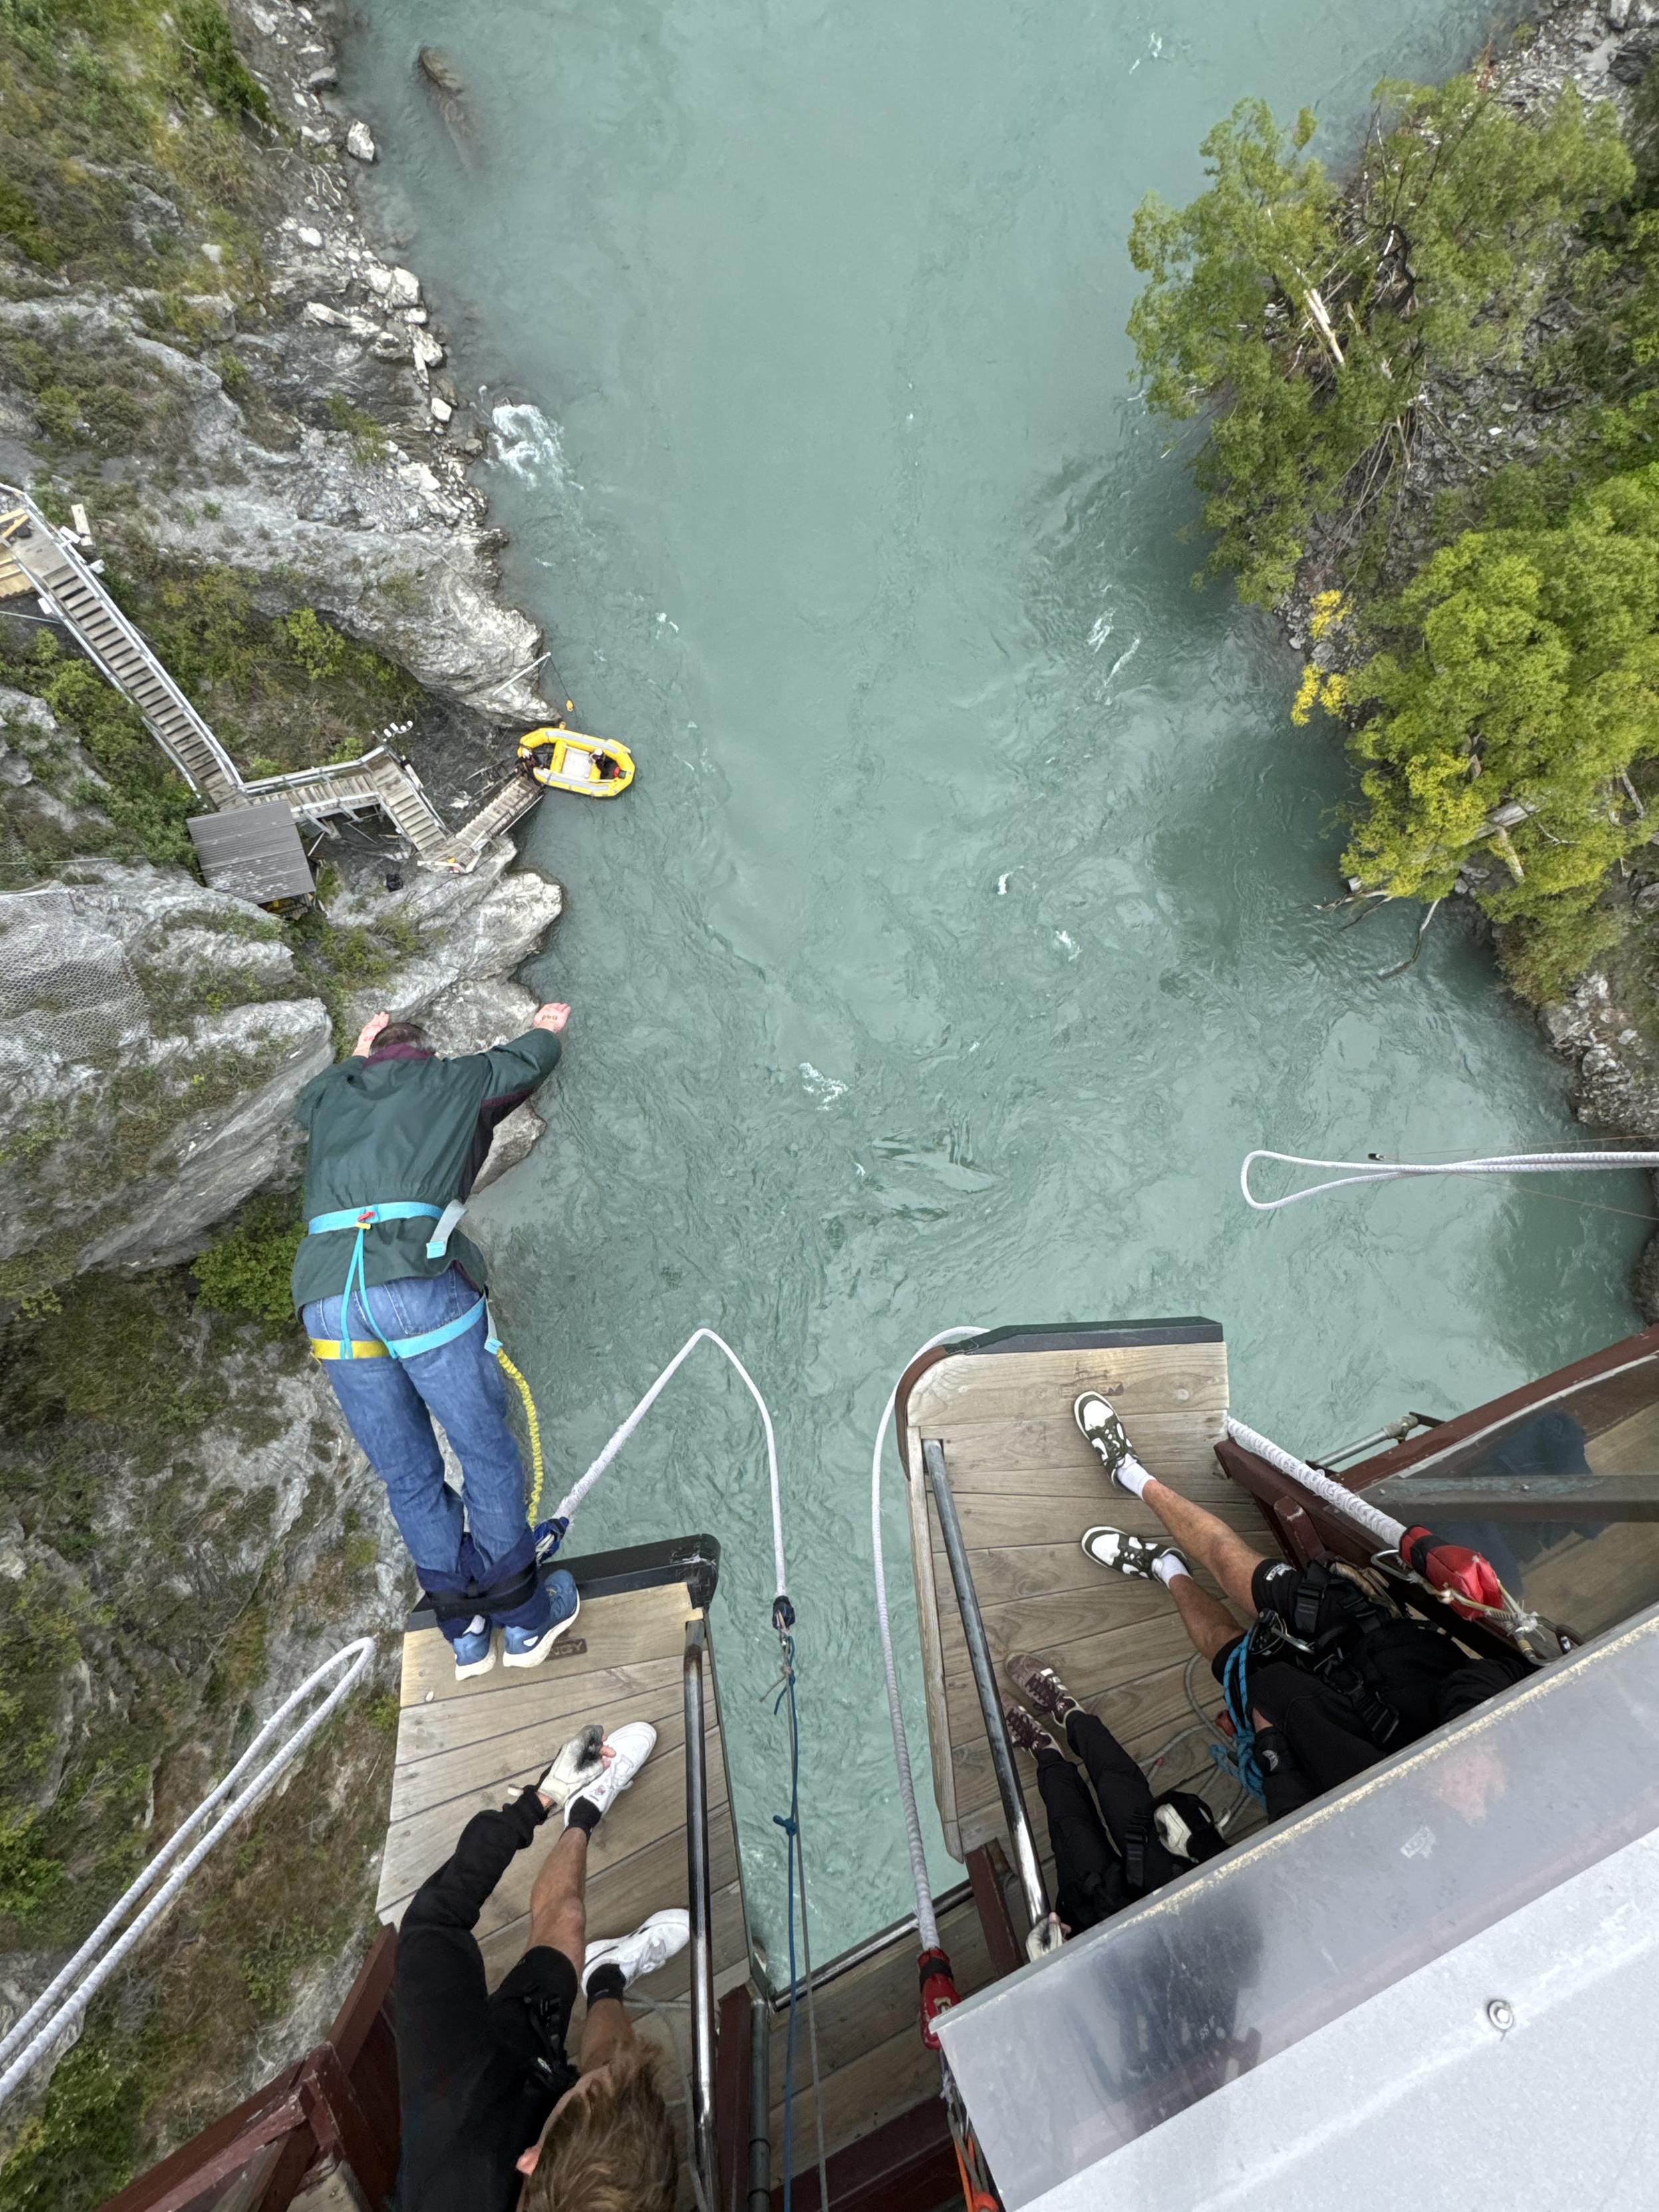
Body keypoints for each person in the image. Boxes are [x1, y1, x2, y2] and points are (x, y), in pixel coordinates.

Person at [1072, 1393, 1531, 1816]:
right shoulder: (1529, 1765)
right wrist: (1474, 1733)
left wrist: (1271, 1746)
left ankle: (1167, 1569)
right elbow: (1512, 1671)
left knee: (1221, 1645)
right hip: (1369, 1639)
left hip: (1306, 1722)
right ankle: (1131, 1474)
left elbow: (1297, 1821)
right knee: (1231, 1561)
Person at [290, 1003, 571, 1679]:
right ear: (425, 1052)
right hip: (413, 1281)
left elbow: (309, 1097)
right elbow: (526, 1062)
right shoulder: (453, 1080)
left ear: (371, 1055)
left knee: (409, 1473)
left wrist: (356, 1053)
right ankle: (523, 1619)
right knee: (483, 1449)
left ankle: (465, 1633)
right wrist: (546, 1025)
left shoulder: (332, 1095)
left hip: (329, 1300)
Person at [394, 1715, 688, 2212]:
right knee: (615, 2051)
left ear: (530, 2160)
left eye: (586, 2088)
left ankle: (576, 1808)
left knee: (563, 1928)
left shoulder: (452, 2098)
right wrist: (611, 2081)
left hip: (493, 2075)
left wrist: (539, 1800)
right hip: (527, 2101)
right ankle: (605, 1975)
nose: (602, 2073)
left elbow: (433, 1921)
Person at [1002, 1653, 1224, 1934]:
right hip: (1187, 1893)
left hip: (1118, 1933)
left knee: (1071, 1829)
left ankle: (1045, 1751)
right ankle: (1070, 1713)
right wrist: (1208, 1847)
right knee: (1120, 1791)